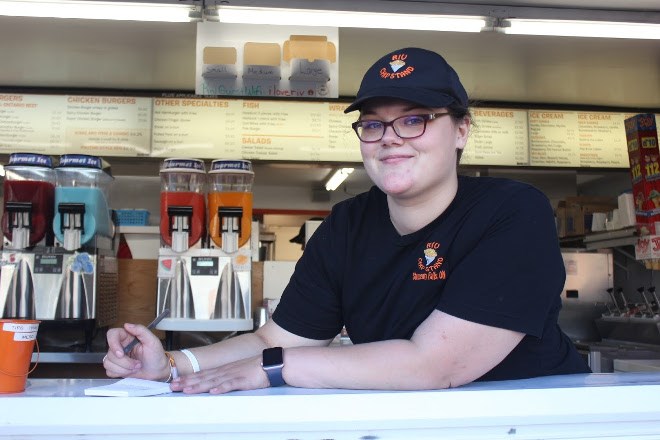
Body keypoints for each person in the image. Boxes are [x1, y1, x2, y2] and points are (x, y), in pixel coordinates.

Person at [103, 47, 590, 393]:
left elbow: (437, 365)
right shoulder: (347, 226)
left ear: (461, 130)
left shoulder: (511, 212)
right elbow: (276, 337)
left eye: (415, 119)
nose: (390, 138)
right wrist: (170, 364)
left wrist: (275, 368)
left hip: (529, 419)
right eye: (374, 124)